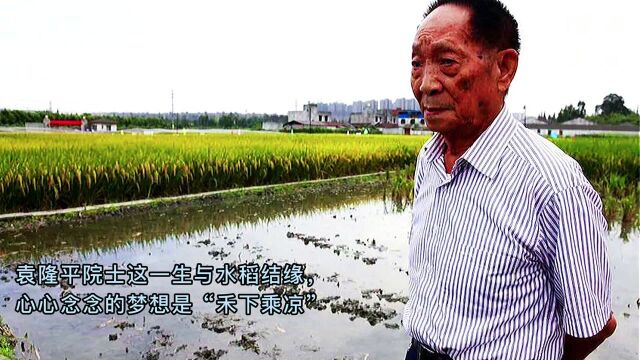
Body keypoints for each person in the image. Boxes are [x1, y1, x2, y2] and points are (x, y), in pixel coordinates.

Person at [402, 0, 616, 359]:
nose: (426, 84)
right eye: (417, 64)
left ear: (504, 68)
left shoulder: (554, 185)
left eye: (447, 63)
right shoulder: (429, 158)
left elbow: (592, 327)